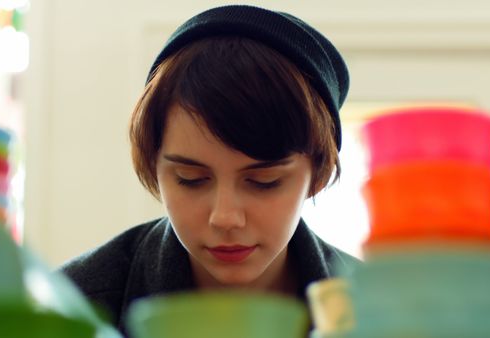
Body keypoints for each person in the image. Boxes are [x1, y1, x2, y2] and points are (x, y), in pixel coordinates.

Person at [61, 4, 359, 335]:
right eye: (191, 180)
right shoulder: (71, 308)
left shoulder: (378, 315)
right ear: (154, 165)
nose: (225, 217)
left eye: (264, 181)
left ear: (317, 174)